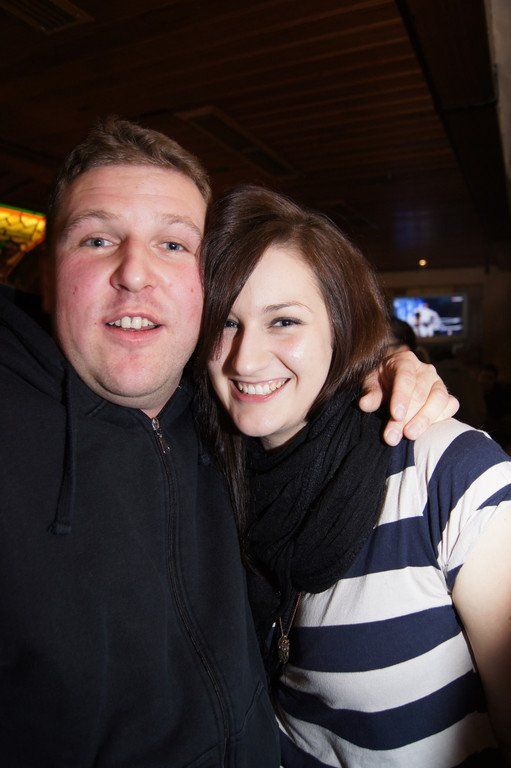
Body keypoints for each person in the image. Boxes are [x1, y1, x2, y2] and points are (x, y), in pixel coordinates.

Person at [0, 118, 456, 767]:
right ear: (48, 274)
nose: (134, 273)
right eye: (97, 239)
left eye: (172, 243)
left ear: (203, 286)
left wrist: (377, 360)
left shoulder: (226, 418)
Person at [197, 185, 511, 768]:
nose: (245, 359)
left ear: (341, 330)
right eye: (226, 322)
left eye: (284, 321)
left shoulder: (449, 472)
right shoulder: (208, 477)